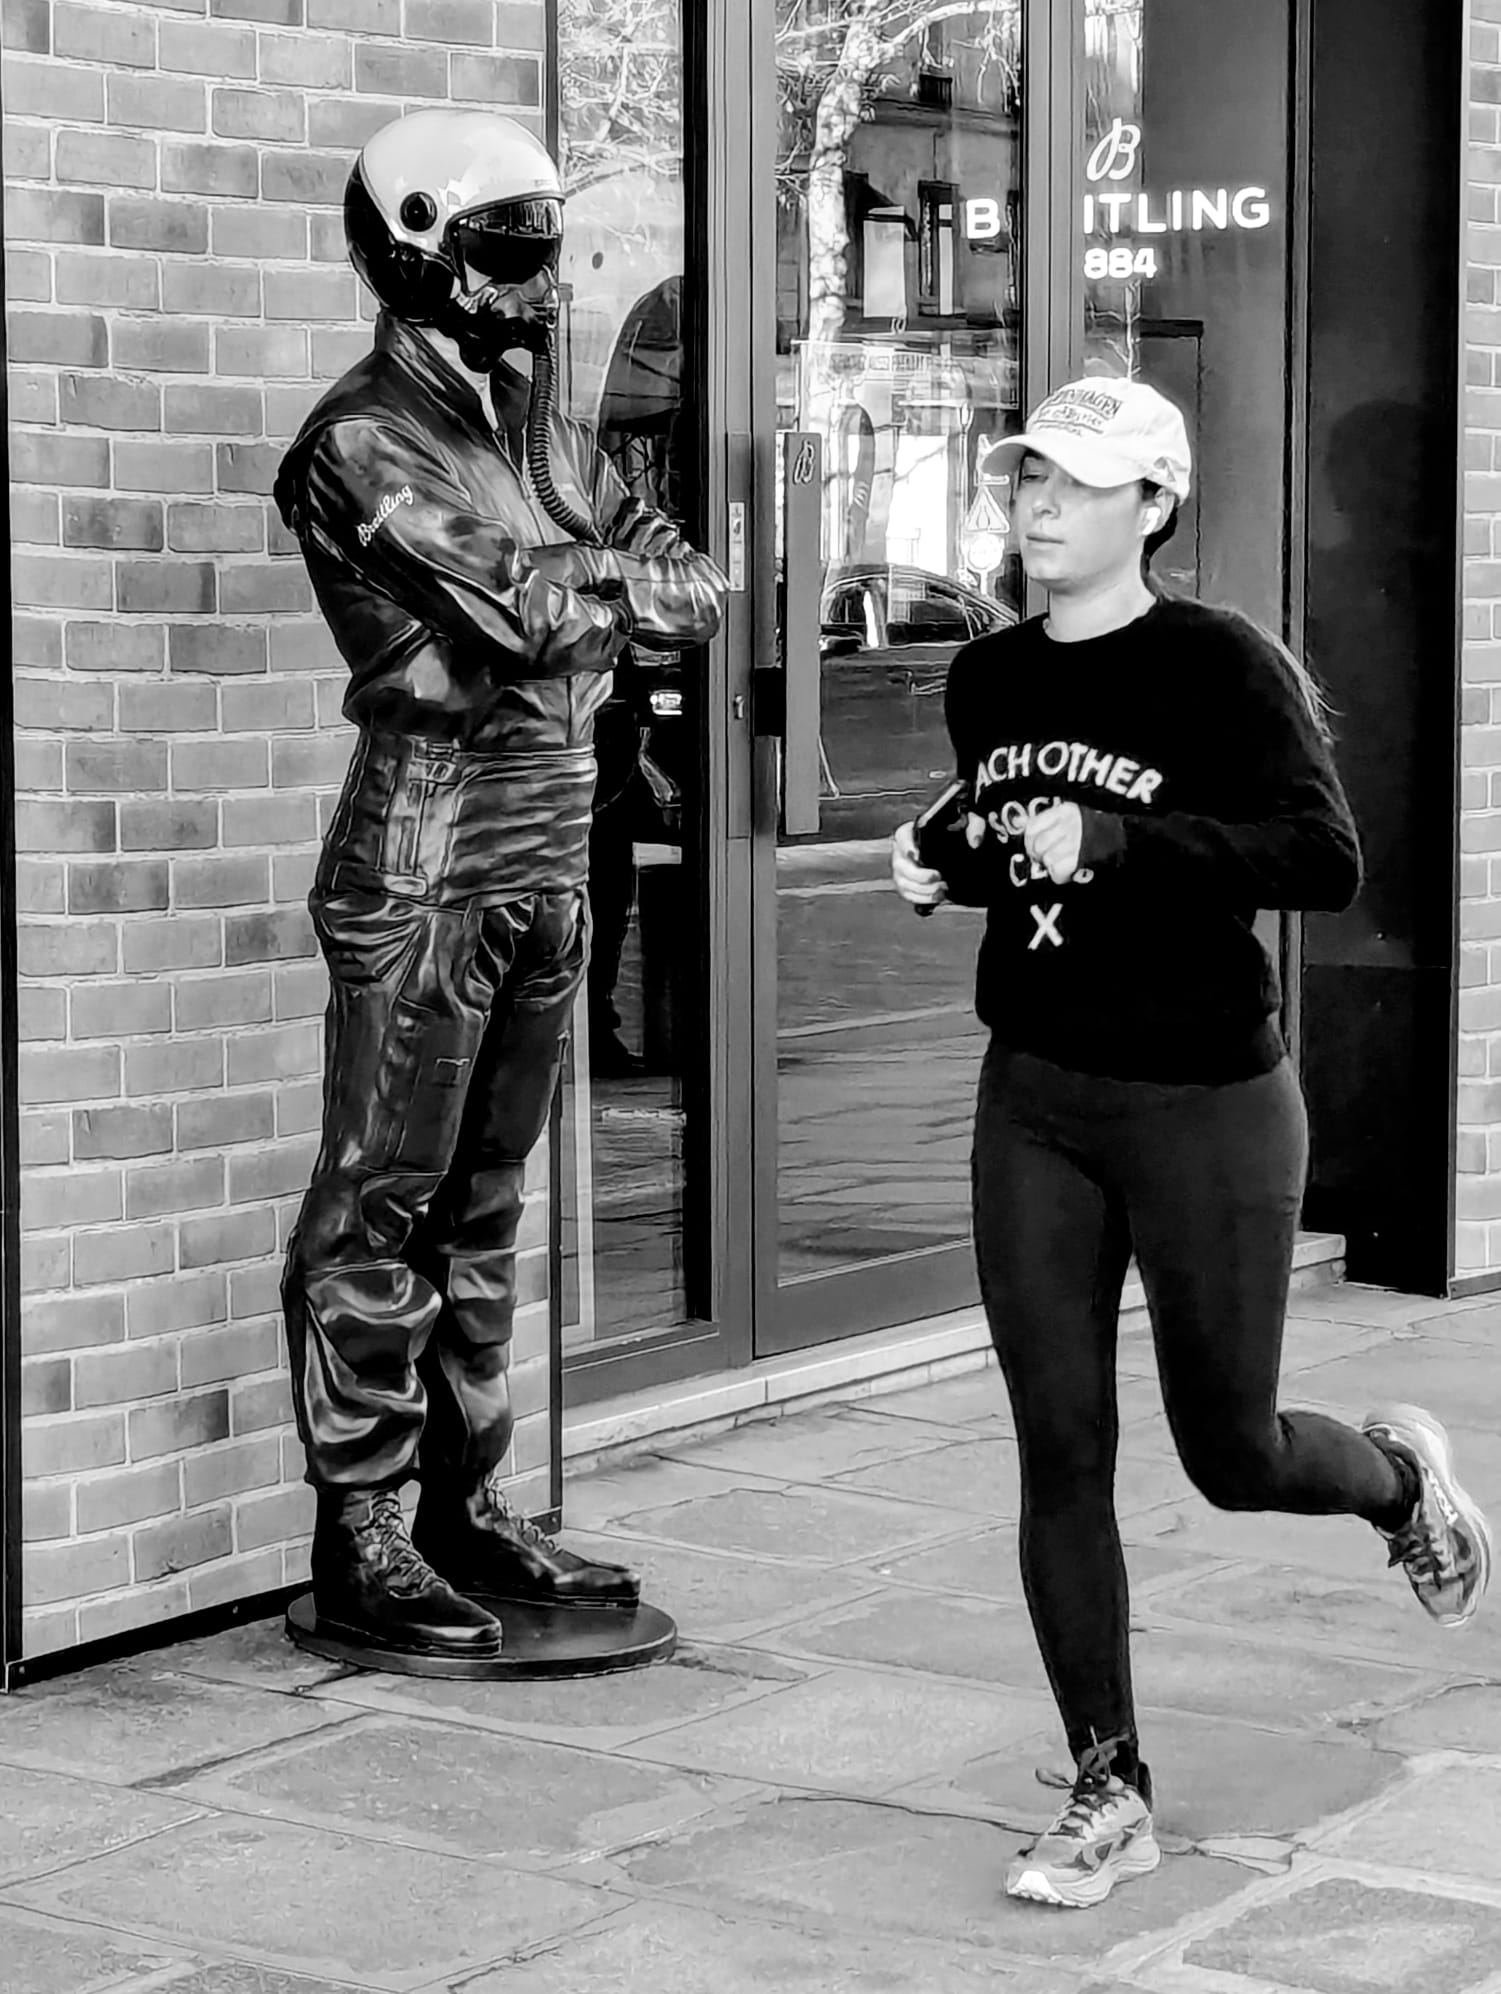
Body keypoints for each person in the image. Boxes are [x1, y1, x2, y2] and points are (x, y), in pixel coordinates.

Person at [890, 376, 1492, 1909]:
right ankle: (1107, 1787)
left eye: (1077, 485)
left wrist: (1119, 840)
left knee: (1230, 1454)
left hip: (1206, 1107)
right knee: (1057, 1447)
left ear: (1152, 504)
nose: (1040, 506)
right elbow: (1008, 839)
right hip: (1033, 1101)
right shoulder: (988, 673)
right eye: (1026, 477)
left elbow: (1321, 856)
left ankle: (1394, 1483)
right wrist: (943, 861)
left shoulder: (1216, 664)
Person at [273, 108, 727, 1661]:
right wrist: (591, 584)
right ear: (415, 249)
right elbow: (532, 613)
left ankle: (463, 1501)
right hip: (426, 858)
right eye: (509, 245)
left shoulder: (542, 436)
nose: (544, 277)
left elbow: (691, 587)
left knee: (486, 1202)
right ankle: (363, 1527)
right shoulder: (360, 440)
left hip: (547, 848)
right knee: (378, 1201)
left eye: (550, 242)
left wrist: (582, 582)